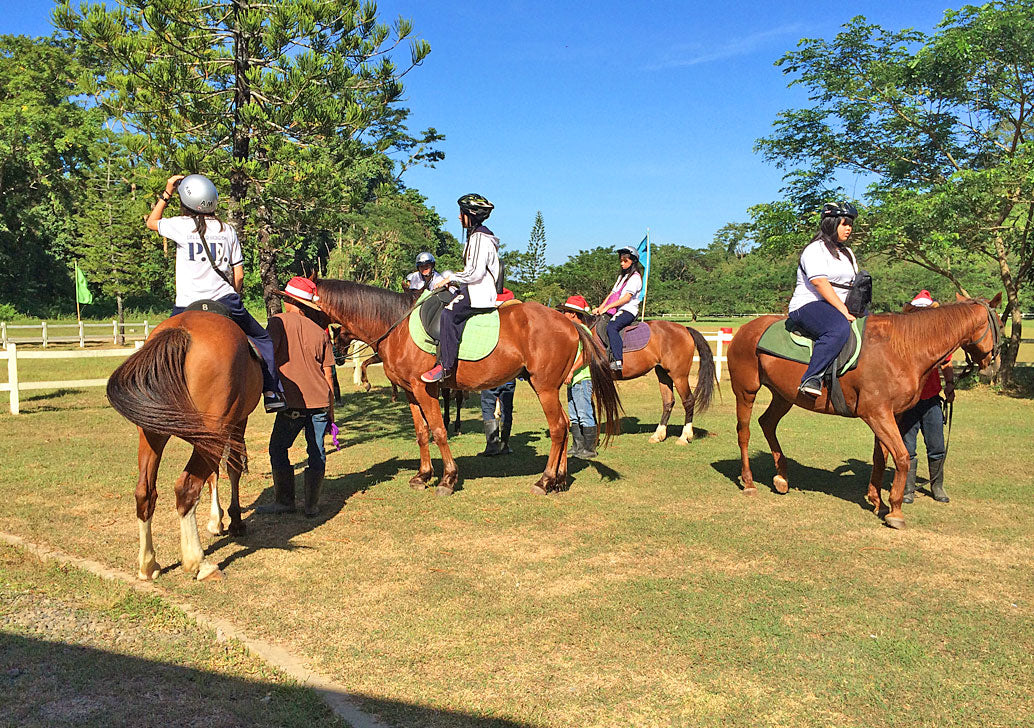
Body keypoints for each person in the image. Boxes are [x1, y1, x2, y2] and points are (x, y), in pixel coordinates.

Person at [147, 173, 286, 412]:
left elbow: (152, 222)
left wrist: (167, 191)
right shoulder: (227, 230)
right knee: (262, 339)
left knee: (158, 348)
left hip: (186, 304)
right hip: (224, 301)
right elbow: (239, 275)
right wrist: (234, 295)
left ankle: (151, 394)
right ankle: (272, 392)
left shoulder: (180, 225)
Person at [258, 276, 336, 517]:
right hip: (320, 402)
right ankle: (311, 505)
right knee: (317, 450)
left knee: (278, 448)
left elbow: (266, 357)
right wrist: (331, 410)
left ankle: (285, 501)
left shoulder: (277, 323)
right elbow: (329, 375)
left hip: (293, 402)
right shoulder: (320, 332)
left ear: (290, 300)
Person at [421, 193, 501, 383]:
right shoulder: (476, 236)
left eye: (461, 213)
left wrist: (450, 278)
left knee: (448, 314)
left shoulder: (480, 238)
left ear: (470, 215)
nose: (459, 217)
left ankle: (445, 366)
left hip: (479, 292)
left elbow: (475, 273)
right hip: (472, 288)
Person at [787, 201, 860, 397]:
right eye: (844, 224)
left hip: (838, 306)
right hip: (809, 304)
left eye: (850, 224)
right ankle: (812, 377)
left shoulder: (847, 253)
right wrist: (843, 311)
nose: (849, 229)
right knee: (837, 329)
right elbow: (820, 283)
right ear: (831, 223)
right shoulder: (814, 250)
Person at [900, 290, 954, 504]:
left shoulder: (938, 340)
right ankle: (908, 489)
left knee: (936, 446)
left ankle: (937, 486)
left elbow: (947, 363)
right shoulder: (904, 339)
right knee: (908, 447)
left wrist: (949, 385)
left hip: (931, 399)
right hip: (907, 401)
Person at [591, 246, 644, 373]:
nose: (622, 263)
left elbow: (626, 298)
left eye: (625, 261)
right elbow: (612, 294)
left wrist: (609, 307)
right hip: (616, 309)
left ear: (633, 261)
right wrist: (601, 307)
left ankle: (617, 360)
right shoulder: (622, 277)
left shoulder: (635, 278)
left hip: (628, 310)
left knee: (612, 327)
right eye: (621, 260)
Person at [478, 287, 517, 456]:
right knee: (507, 407)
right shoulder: (514, 329)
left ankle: (492, 445)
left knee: (488, 404)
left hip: (491, 372)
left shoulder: (487, 327)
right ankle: (505, 444)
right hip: (510, 373)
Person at [559, 294, 597, 459]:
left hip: (582, 379)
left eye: (566, 312)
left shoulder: (584, 331)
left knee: (584, 413)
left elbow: (587, 355)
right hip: (573, 380)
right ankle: (577, 446)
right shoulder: (573, 331)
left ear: (573, 314)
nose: (564, 315)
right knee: (574, 415)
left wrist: (571, 370)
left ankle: (589, 448)